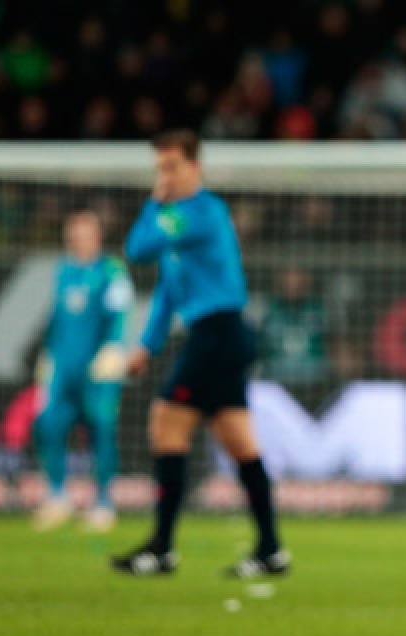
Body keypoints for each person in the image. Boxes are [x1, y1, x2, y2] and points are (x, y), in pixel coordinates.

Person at [111, 129, 287, 578]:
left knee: (166, 422)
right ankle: (270, 550)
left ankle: (162, 547)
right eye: (160, 169)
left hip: (219, 334)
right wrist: (146, 346)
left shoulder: (202, 213)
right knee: (240, 442)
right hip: (218, 336)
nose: (165, 176)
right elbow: (168, 294)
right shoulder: (178, 227)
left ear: (195, 167)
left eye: (172, 167)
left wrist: (154, 202)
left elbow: (137, 249)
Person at [33, 209, 132, 533]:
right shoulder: (63, 270)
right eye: (73, 234)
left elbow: (119, 314)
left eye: (84, 234)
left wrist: (113, 347)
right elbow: (58, 317)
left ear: (97, 236)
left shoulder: (111, 270)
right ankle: (57, 496)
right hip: (64, 368)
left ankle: (103, 503)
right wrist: (48, 354)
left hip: (98, 370)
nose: (77, 240)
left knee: (100, 430)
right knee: (49, 425)